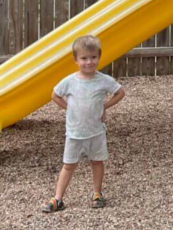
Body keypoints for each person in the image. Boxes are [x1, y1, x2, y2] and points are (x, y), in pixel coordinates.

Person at [42, 35, 125, 213]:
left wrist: (104, 107)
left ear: (99, 57)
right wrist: (69, 108)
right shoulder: (70, 81)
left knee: (97, 161)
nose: (89, 62)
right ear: (76, 59)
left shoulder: (103, 80)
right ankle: (58, 198)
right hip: (74, 133)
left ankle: (97, 193)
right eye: (84, 58)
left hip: (96, 132)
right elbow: (55, 95)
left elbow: (120, 92)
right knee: (69, 165)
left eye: (93, 57)